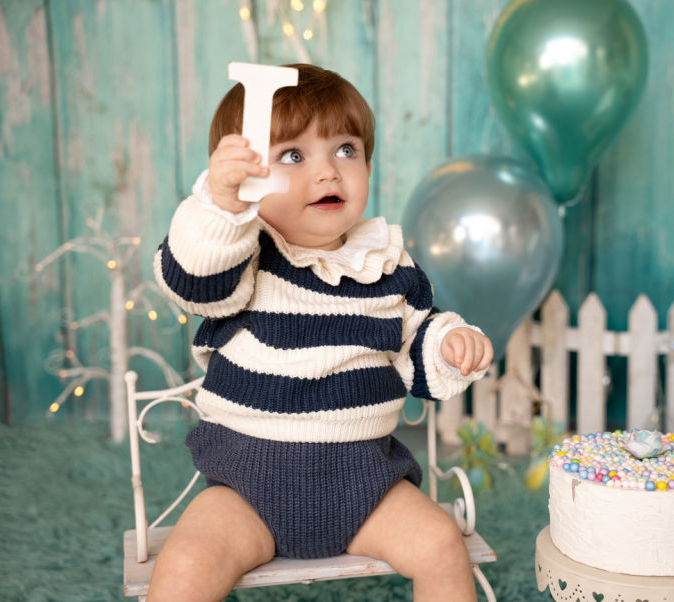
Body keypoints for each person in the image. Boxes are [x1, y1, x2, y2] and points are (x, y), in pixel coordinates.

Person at [150, 63, 493, 602]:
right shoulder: (245, 253)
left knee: (441, 545)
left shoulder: (383, 262)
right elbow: (193, 279)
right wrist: (221, 205)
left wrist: (450, 343)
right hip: (247, 482)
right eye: (293, 156)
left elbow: (412, 337)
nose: (329, 172)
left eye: (346, 150)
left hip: (365, 483)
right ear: (250, 177)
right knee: (188, 564)